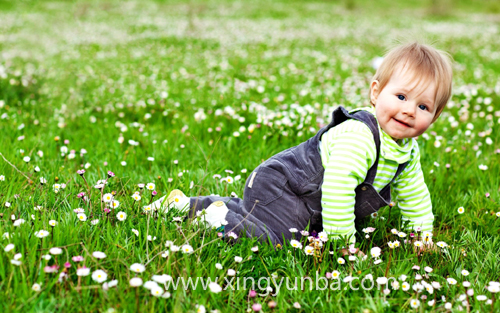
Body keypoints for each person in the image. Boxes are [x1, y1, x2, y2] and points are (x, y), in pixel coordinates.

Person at [152, 41, 453, 246]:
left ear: (435, 115)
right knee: (278, 239)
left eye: (423, 107)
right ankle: (215, 217)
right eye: (400, 96)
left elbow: (415, 197)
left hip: (308, 202)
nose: (409, 110)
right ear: (376, 93)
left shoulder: (407, 151)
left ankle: (187, 205)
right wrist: (342, 245)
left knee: (281, 226)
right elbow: (337, 187)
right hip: (284, 187)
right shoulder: (360, 137)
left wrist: (422, 239)